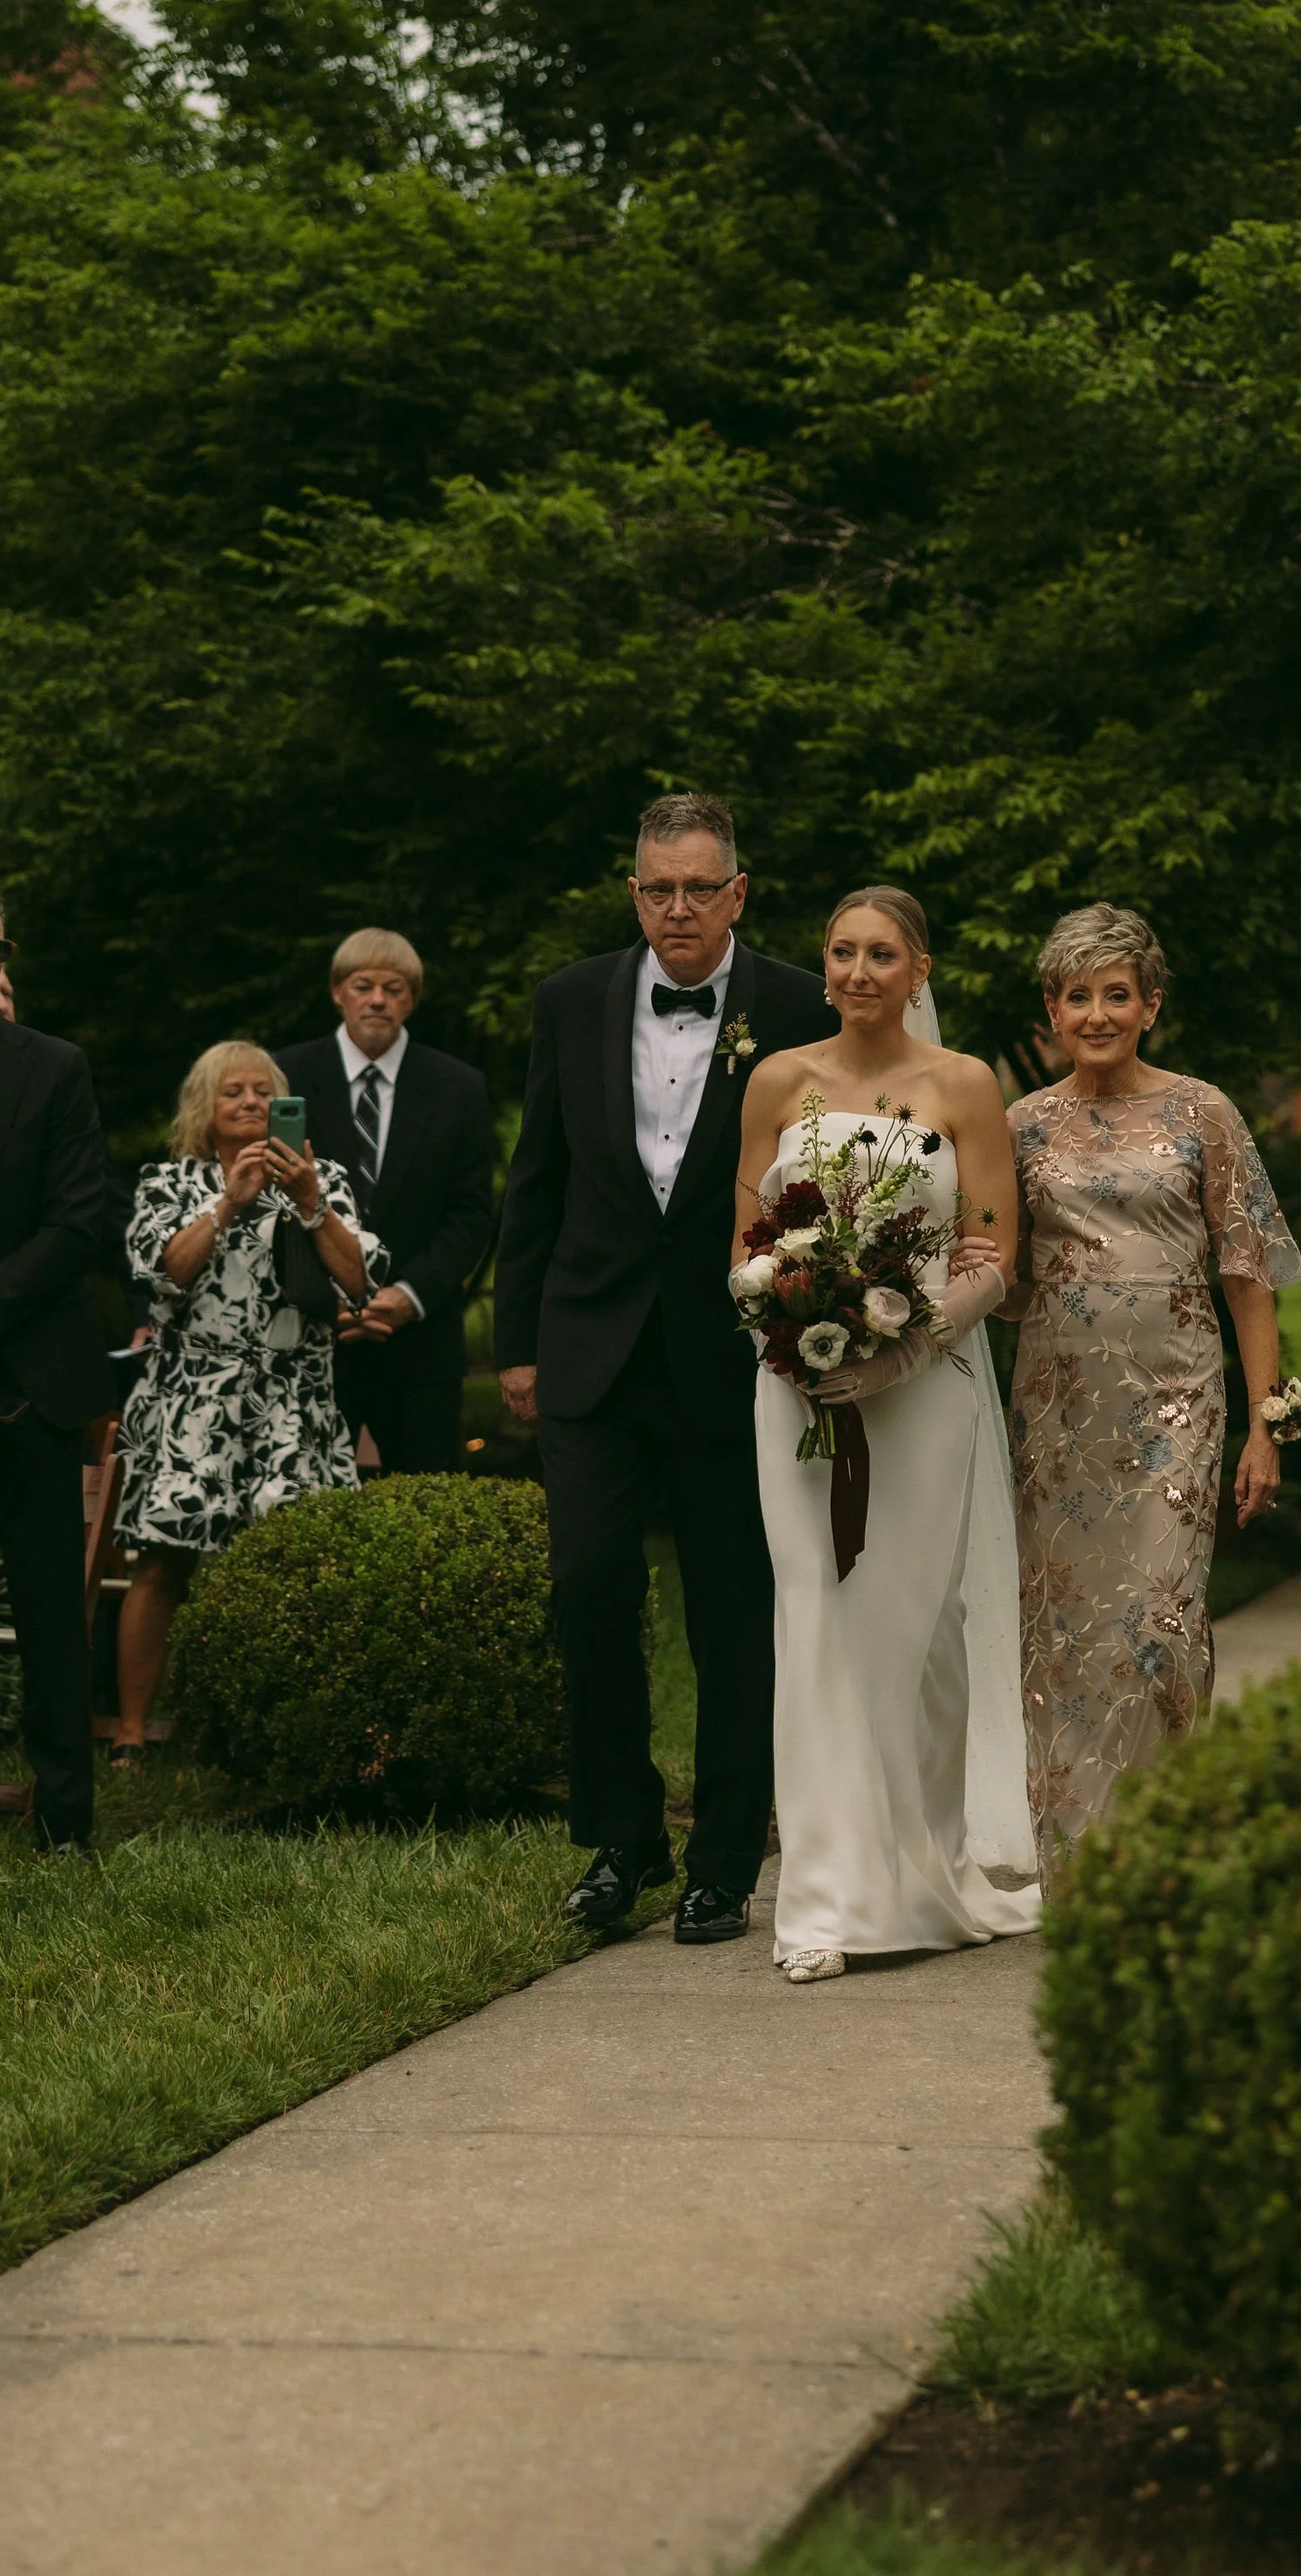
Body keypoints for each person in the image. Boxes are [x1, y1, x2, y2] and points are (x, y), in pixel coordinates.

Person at [495, 792, 836, 1943]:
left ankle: (725, 1860)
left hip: (736, 1355)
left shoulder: (796, 1003)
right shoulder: (570, 999)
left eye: (700, 888)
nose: (678, 908)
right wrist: (518, 1344)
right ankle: (622, 1835)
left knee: (733, 1614)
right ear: (632, 890)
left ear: (739, 893)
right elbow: (535, 1175)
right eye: (658, 889)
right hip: (593, 1348)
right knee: (588, 1591)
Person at [733, 886, 1042, 1982]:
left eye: (880, 955)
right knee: (813, 1622)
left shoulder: (964, 1086)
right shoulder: (777, 1080)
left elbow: (994, 1258)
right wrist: (785, 1320)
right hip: (797, 1395)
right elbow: (745, 1244)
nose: (857, 971)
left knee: (910, 1636)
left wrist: (900, 1348)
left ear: (919, 971)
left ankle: (921, 1869)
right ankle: (824, 1900)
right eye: (840, 952)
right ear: (822, 965)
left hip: (923, 1394)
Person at [1002, 904, 1301, 1880]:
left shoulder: (1201, 1112)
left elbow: (1247, 1272)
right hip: (1055, 1408)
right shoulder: (1018, 1127)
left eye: (1115, 995)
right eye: (1076, 996)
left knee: (1157, 1629)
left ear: (1150, 1006)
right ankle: (1078, 1865)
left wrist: (1267, 1425)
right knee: (1061, 1635)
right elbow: (994, 1275)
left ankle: (1168, 1849)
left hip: (1176, 1401)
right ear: (1051, 1009)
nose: (1095, 1014)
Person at [111, 1042, 383, 1757]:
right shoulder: (167, 1182)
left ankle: (285, 1734)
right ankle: (133, 1735)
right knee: (163, 1559)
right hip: (193, 1399)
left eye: (266, 1093)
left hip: (294, 1399)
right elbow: (164, 1272)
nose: (251, 1103)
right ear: (206, 1105)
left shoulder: (321, 1181)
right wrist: (229, 1201)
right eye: (233, 1092)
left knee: (300, 1563)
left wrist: (309, 1203)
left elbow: (361, 1281)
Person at [0, 877, 117, 1855]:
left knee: (46, 1605)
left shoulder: (54, 1068)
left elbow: (80, 1221)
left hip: (29, 1369)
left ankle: (65, 1819)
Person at [281, 931, 496, 1476]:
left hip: (420, 1347)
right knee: (305, 1512)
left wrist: (409, 1295)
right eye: (363, 985)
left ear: (411, 1000)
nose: (377, 999)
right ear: (338, 993)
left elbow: (471, 1214)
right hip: (313, 1339)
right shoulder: (286, 1078)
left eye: (393, 988)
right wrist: (320, 1300)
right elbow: (271, 1208)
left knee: (426, 1513)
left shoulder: (459, 1088)